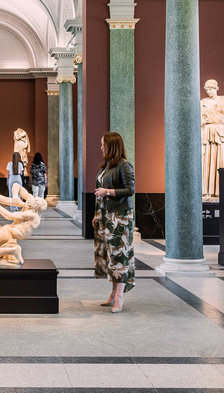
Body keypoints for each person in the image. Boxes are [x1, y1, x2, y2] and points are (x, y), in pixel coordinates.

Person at [93, 131, 135, 313]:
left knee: (119, 255)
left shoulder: (124, 165)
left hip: (120, 217)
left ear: (112, 145)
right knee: (110, 255)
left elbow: (130, 190)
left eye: (103, 144)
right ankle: (112, 294)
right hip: (106, 216)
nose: (101, 147)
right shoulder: (107, 166)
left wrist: (108, 192)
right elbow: (99, 192)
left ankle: (119, 297)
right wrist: (96, 214)